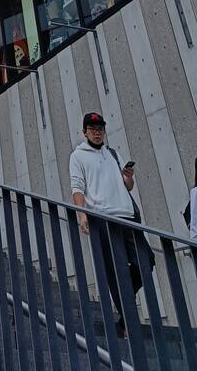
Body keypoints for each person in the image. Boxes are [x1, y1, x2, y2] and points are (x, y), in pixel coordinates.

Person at [69, 111, 153, 338]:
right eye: (93, 129)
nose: (97, 132)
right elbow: (77, 187)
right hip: (104, 219)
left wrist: (128, 177)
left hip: (127, 216)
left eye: (100, 129)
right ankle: (127, 323)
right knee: (115, 272)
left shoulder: (114, 153)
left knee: (146, 263)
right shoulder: (78, 156)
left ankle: (124, 317)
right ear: (85, 131)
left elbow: (128, 186)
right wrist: (82, 214)